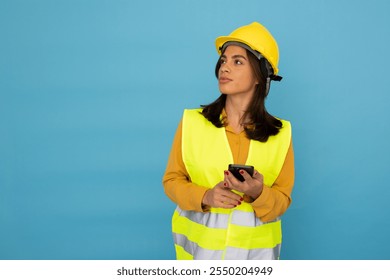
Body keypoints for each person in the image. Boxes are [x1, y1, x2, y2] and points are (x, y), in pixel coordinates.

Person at [162, 22, 294, 260]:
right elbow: (171, 181)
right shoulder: (192, 122)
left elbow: (282, 200)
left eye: (237, 61)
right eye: (223, 60)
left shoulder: (281, 133)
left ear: (259, 75)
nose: (225, 68)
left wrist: (258, 192)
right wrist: (206, 197)